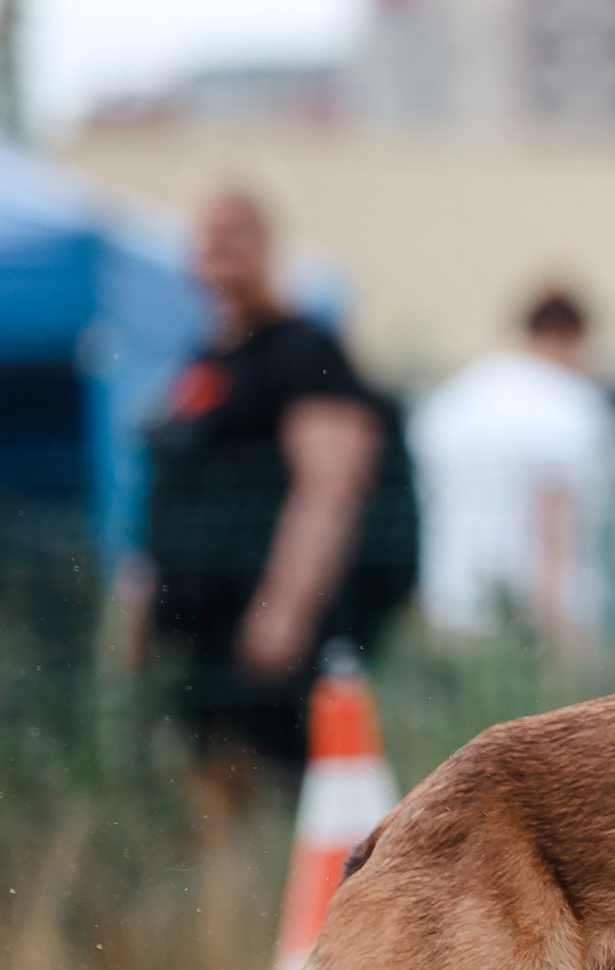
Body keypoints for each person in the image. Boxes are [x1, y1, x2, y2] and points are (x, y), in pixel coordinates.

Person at [134, 183, 417, 783]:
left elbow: (332, 483)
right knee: (210, 778)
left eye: (237, 229)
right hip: (202, 621)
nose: (219, 243)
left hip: (269, 622)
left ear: (269, 246)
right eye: (206, 231)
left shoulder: (303, 347)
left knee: (292, 777)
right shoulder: (201, 360)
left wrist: (282, 607)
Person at [407, 287, 615, 649]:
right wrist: (563, 633)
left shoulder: (453, 400)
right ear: (572, 337)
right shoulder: (567, 403)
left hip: (452, 606)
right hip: (535, 619)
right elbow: (554, 524)